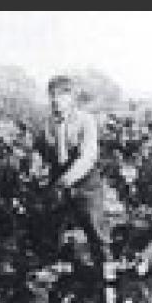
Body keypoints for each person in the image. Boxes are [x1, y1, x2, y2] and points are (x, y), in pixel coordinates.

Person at [40, 75, 111, 269]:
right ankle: (54, 285)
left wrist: (65, 180)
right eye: (52, 96)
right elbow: (43, 154)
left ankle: (107, 285)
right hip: (58, 184)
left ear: (71, 98)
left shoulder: (86, 121)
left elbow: (87, 157)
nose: (55, 100)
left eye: (61, 96)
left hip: (85, 183)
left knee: (97, 234)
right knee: (50, 233)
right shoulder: (47, 124)